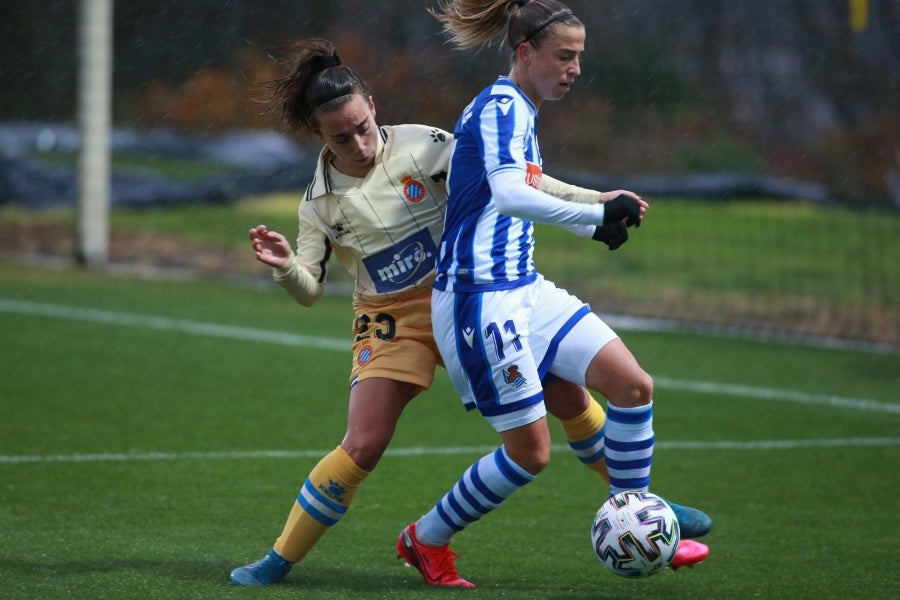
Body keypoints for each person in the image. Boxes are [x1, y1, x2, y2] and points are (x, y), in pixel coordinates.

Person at [230, 36, 710, 587]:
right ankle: (280, 557)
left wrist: (594, 203)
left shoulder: (426, 146)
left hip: (469, 296)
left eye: (363, 126)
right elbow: (309, 289)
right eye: (341, 136)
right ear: (318, 134)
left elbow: (514, 177)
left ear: (374, 108)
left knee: (569, 395)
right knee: (364, 442)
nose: (359, 143)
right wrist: (287, 265)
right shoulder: (317, 203)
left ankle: (645, 517)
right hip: (392, 319)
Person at [396, 0, 710, 588]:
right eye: (564, 57)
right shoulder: (499, 107)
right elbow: (513, 195)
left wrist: (597, 206)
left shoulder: (518, 109)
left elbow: (531, 182)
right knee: (530, 455)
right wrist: (593, 217)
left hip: (525, 291)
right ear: (525, 53)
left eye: (580, 58)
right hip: (478, 301)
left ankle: (636, 522)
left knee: (633, 385)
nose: (575, 69)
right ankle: (426, 538)